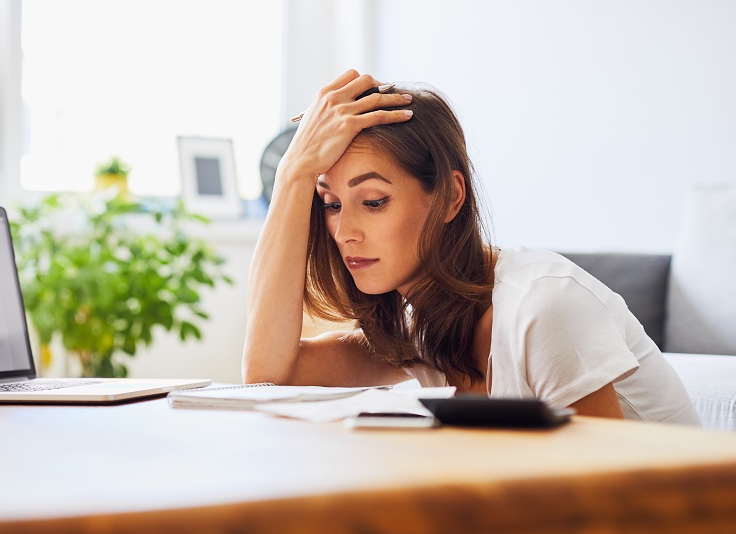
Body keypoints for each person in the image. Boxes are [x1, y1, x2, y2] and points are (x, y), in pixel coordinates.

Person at [243, 69, 701, 425]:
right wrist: (292, 175)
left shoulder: (543, 307)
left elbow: (603, 506)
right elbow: (268, 373)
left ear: (449, 196)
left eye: (375, 201)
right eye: (332, 203)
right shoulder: (418, 328)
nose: (345, 231)